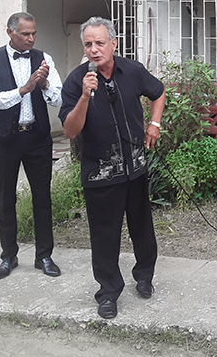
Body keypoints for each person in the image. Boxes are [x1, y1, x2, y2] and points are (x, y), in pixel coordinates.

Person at [59, 17, 166, 320]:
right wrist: (84, 96)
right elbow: (69, 130)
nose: (94, 50)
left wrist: (154, 124)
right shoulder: (76, 81)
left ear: (114, 43)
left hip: (135, 168)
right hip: (100, 173)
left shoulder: (131, 71)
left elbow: (158, 92)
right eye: (88, 44)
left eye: (100, 43)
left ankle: (144, 276)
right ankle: (108, 292)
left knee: (142, 227)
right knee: (104, 235)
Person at [0, 12, 63, 280]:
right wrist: (23, 89)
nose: (31, 38)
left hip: (37, 138)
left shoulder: (44, 58)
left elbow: (58, 99)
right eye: (25, 34)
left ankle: (44, 256)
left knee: (42, 198)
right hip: (5, 139)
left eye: (34, 33)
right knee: (5, 199)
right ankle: (8, 257)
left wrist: (45, 83)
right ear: (10, 32)